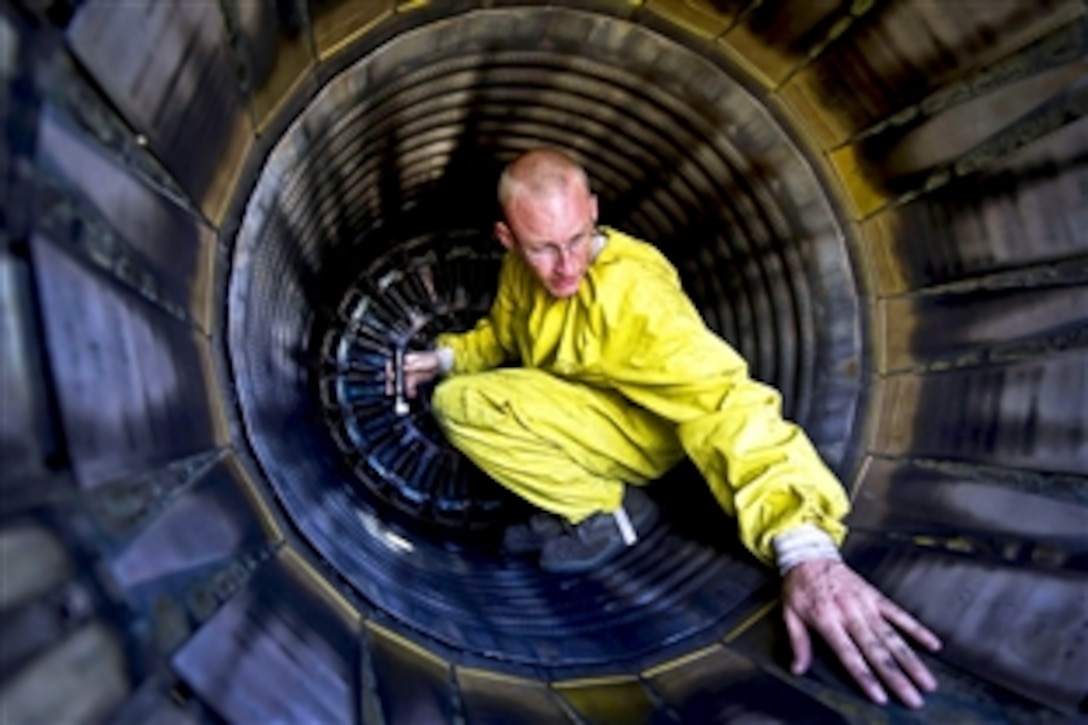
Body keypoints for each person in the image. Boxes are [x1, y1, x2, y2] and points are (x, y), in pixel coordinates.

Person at [390, 148, 942, 708]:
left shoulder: (636, 299)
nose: (567, 266)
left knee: (460, 405)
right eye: (544, 248)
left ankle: (605, 512)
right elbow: (506, 335)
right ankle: (575, 496)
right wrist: (444, 357)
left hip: (639, 432)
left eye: (579, 238)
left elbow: (725, 402)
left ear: (594, 211)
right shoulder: (520, 274)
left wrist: (805, 549)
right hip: (583, 403)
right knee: (457, 386)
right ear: (507, 239)